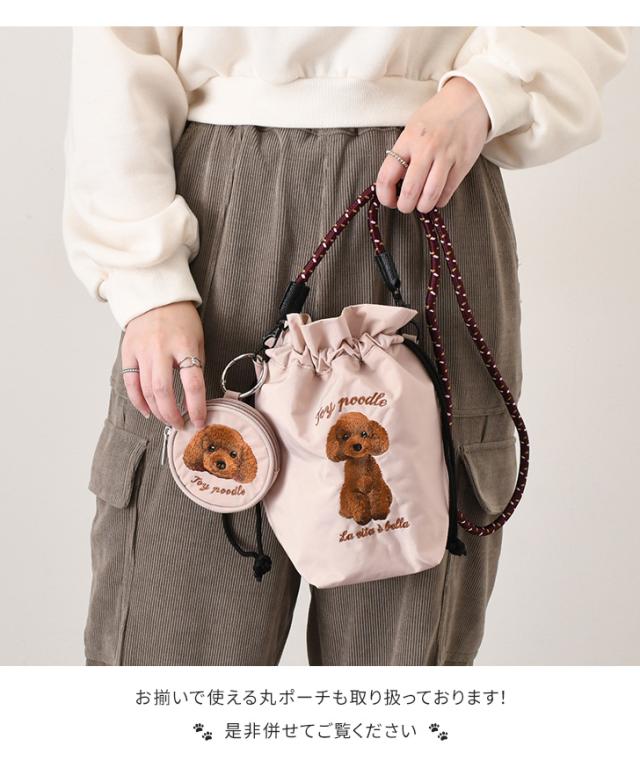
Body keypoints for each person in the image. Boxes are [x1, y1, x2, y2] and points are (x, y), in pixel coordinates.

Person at [63, 26, 630, 666]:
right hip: (223, 217)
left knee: (399, 674)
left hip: (428, 184)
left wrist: (483, 94)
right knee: (168, 654)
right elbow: (119, 40)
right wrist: (146, 281)